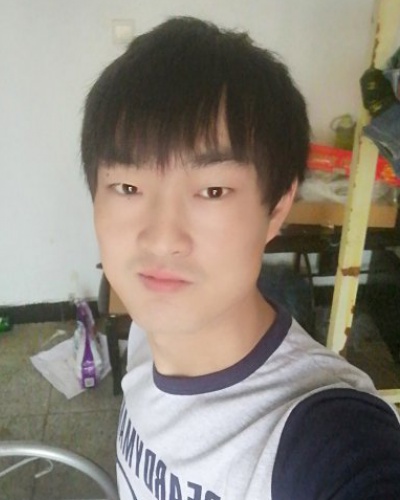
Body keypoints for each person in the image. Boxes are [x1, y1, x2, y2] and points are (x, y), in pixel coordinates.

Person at [81, 16, 400, 500]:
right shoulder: (149, 332)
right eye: (127, 186)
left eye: (212, 191)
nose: (162, 239)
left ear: (277, 209)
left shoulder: (321, 432)